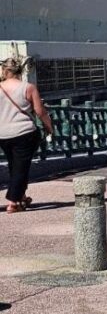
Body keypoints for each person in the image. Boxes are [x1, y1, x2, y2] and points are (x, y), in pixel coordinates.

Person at [0, 57, 53, 213]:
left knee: (14, 165)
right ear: (21, 71)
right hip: (24, 132)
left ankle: (21, 196)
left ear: (4, 70)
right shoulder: (28, 88)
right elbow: (40, 112)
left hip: (2, 135)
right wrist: (49, 127)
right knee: (21, 166)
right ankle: (13, 202)